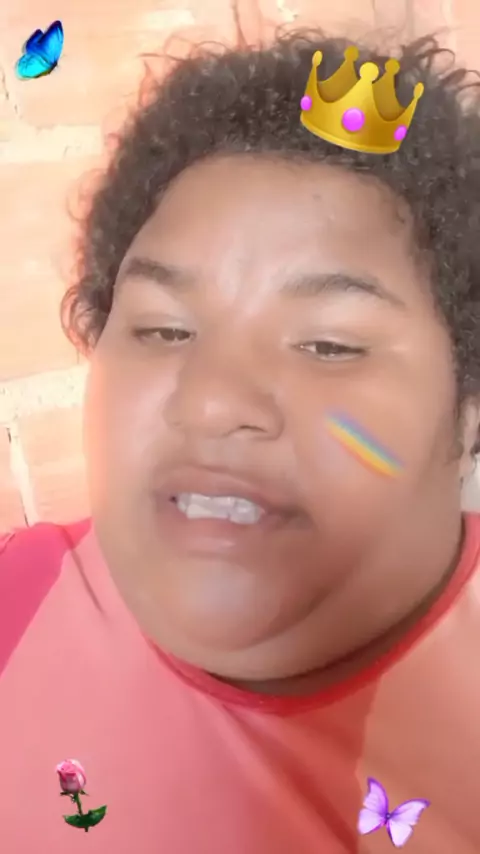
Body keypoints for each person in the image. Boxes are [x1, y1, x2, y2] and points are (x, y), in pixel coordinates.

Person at [1, 24, 480, 853]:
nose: (212, 400)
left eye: (328, 344)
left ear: (468, 411)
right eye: (162, 329)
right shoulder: (18, 602)